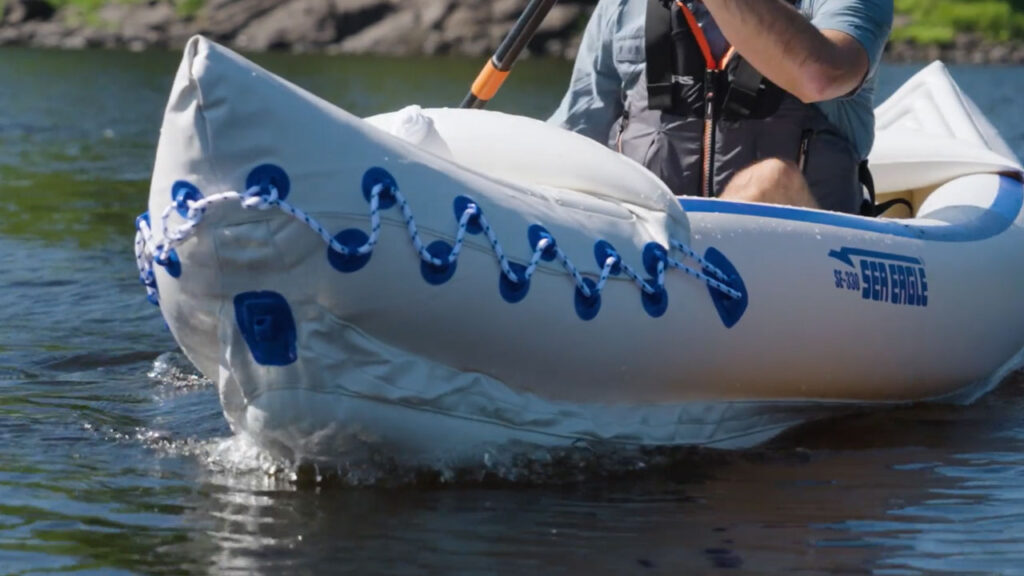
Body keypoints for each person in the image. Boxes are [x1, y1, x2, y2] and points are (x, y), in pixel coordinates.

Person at [549, 0, 893, 214]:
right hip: (650, 266)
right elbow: (571, 147)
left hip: (809, 271)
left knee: (770, 182)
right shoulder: (622, 7)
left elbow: (819, 75)